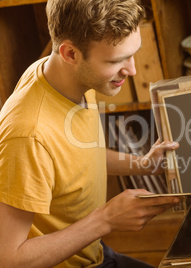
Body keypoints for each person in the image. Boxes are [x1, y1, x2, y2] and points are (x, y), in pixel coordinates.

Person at [0, 0, 180, 267]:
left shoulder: (65, 76)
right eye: (117, 60)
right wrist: (105, 220)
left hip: (91, 249)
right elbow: (9, 258)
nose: (131, 70)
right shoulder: (28, 135)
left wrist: (144, 164)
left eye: (132, 54)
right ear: (71, 53)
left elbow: (75, 155)